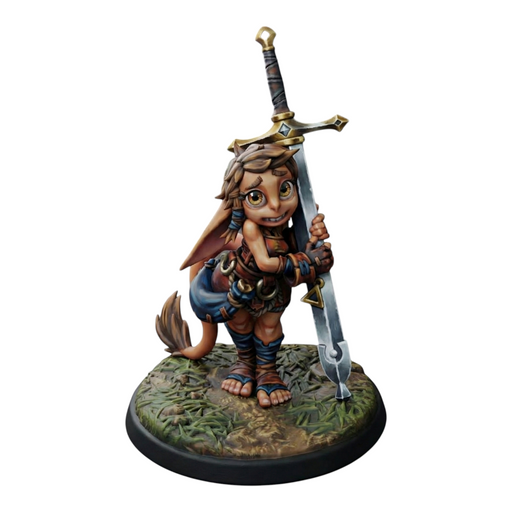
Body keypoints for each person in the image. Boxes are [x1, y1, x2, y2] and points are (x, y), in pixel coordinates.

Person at [156, 143, 333, 408]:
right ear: (239, 201)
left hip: (273, 292)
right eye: (256, 197)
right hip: (238, 288)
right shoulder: (250, 228)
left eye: (285, 189)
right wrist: (305, 260)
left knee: (269, 327)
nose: (276, 205)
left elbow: (299, 257)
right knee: (241, 325)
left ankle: (267, 372)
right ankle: (244, 364)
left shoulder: (285, 228)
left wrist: (311, 240)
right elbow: (265, 262)